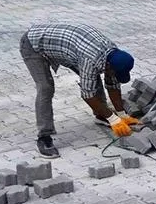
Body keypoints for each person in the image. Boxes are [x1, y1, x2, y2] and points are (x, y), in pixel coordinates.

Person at [19, 22, 138, 159]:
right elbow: (87, 95)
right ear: (108, 65)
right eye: (112, 72)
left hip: (67, 48)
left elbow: (112, 84)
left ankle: (101, 115)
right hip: (33, 45)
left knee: (92, 78)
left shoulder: (113, 55)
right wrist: (113, 119)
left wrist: (122, 115)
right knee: (46, 88)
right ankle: (44, 137)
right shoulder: (90, 59)